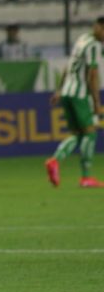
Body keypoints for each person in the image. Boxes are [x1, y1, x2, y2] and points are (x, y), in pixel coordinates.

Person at [45, 17, 104, 188]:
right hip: (80, 94)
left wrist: (59, 90)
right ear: (99, 27)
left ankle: (54, 161)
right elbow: (92, 74)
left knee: (77, 134)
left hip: (67, 93)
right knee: (90, 132)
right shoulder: (94, 45)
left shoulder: (82, 39)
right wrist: (96, 101)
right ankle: (86, 177)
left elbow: (67, 66)